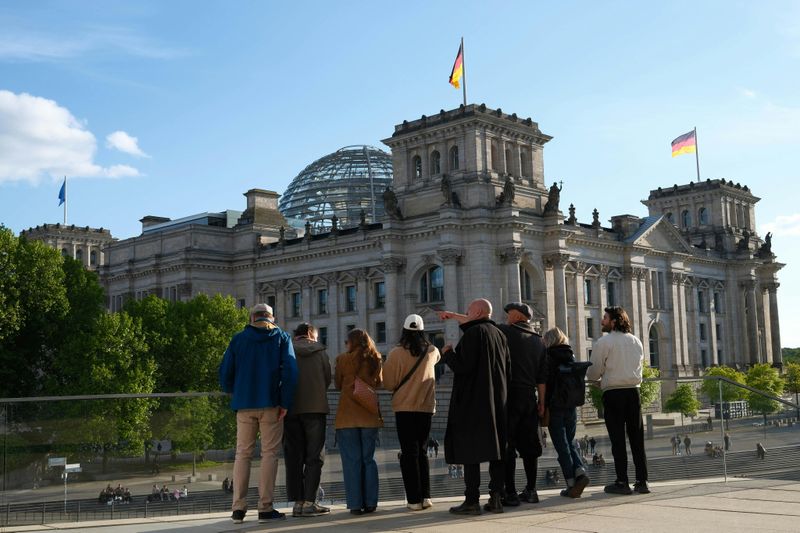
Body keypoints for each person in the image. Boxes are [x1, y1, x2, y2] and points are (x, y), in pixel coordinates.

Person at [219, 303, 298, 524]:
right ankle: (265, 507)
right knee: (269, 454)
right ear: (272, 318)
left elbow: (225, 372)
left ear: (252, 318)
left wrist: (233, 391)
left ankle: (238, 508)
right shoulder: (281, 338)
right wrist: (285, 402)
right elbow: (291, 372)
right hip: (271, 403)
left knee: (242, 454)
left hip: (244, 404)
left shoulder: (238, 339)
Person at [438, 299, 510, 515]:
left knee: (471, 451)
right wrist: (453, 314)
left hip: (473, 402)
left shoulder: (472, 335)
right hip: (498, 402)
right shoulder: (500, 336)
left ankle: (471, 500)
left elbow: (462, 366)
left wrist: (448, 353)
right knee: (497, 450)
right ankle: (496, 498)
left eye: (468, 310)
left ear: (477, 312)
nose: (466, 313)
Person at [587, 306, 650, 495]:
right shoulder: (636, 341)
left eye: (605, 318)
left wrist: (600, 379)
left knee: (618, 440)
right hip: (634, 392)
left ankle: (622, 481)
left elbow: (593, 372)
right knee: (637, 438)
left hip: (613, 393)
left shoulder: (604, 342)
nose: (602, 321)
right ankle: (642, 481)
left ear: (614, 321)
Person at [383, 314, 441, 511]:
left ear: (404, 331)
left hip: (404, 409)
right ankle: (426, 496)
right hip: (425, 408)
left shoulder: (395, 353)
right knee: (423, 452)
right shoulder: (432, 351)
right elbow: (439, 356)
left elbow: (388, 383)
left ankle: (414, 500)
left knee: (409, 453)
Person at [497, 302, 547, 506]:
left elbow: (482, 323)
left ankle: (510, 492)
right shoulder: (539, 341)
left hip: (510, 396)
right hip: (530, 397)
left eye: (509, 314)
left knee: (508, 444)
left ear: (517, 316)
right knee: (530, 446)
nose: (507, 317)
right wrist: (541, 402)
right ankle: (531, 489)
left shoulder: (507, 332)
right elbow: (542, 378)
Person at [283, 323, 332, 518]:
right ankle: (310, 502)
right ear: (311, 334)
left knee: (293, 457)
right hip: (315, 409)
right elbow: (327, 379)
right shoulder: (320, 352)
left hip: (291, 410)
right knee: (314, 457)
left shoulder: (286, 351)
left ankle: (297, 503)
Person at [334, 328, 384, 516]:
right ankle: (371, 503)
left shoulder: (342, 359)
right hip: (369, 415)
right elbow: (378, 383)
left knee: (352, 462)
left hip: (347, 417)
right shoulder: (375, 358)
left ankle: (355, 504)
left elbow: (338, 385)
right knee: (368, 460)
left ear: (351, 342)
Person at [543, 327, 590, 498]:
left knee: (561, 447)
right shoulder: (571, 356)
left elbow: (545, 384)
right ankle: (581, 473)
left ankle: (571, 484)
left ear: (548, 340)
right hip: (571, 406)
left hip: (555, 407)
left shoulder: (548, 358)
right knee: (569, 443)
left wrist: (542, 404)